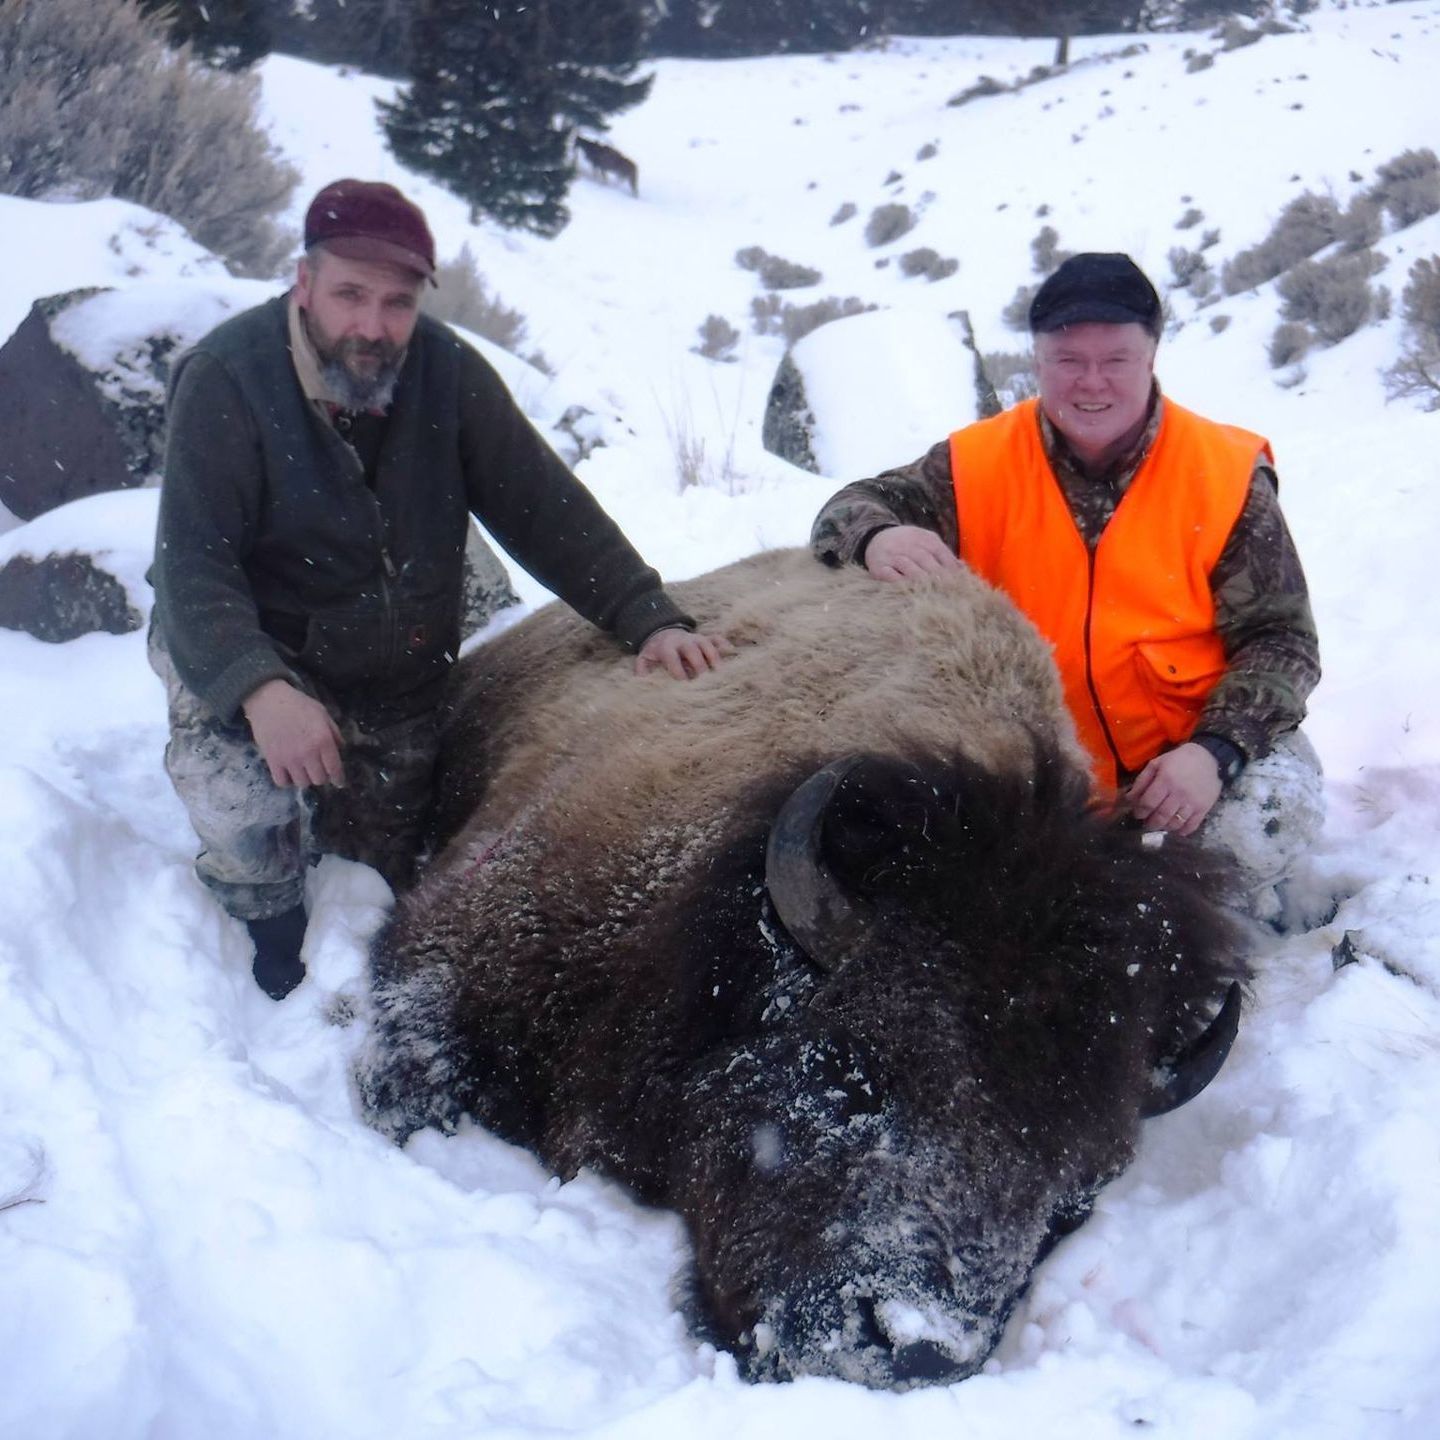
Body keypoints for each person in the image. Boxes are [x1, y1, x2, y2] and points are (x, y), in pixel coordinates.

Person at [151, 178, 726, 1000]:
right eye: (350, 294)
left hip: (392, 664)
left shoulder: (446, 372)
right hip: (251, 638)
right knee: (242, 798)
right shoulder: (228, 377)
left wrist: (648, 615)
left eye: (397, 302)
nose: (372, 326)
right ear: (304, 282)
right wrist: (260, 690)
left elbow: (544, 509)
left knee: (382, 860)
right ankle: (265, 926)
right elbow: (192, 564)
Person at [811, 252, 1323, 922]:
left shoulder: (1223, 476)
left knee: (1266, 819)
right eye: (1067, 360)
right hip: (1035, 781)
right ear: (1036, 359)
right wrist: (878, 536)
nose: (1091, 383)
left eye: (1115, 360)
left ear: (1152, 355)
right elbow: (849, 508)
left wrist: (1214, 753)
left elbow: (1284, 642)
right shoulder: (976, 463)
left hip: (1181, 764)